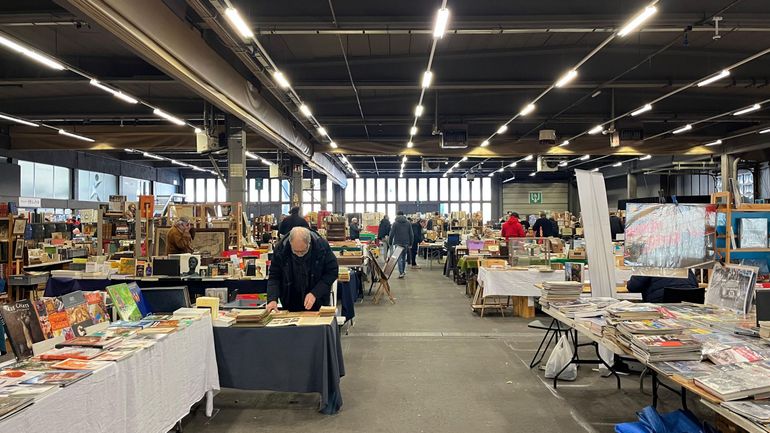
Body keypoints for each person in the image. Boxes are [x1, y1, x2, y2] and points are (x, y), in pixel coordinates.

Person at [266, 227, 338, 312]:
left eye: (303, 251)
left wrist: (315, 293)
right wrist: (272, 299)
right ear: (290, 243)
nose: (299, 255)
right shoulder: (280, 250)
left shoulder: (321, 247)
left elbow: (332, 272)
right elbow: (274, 277)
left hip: (317, 301)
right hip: (290, 300)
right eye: (295, 251)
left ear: (309, 243)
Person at [626, 272, 699, 303]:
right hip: (692, 296)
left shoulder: (649, 260)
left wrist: (628, 284)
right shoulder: (681, 259)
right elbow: (695, 282)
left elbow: (634, 286)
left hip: (663, 299)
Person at [389, 211, 413, 278]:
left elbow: (391, 234)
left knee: (399, 258)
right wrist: (411, 243)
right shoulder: (408, 223)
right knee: (403, 257)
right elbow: (411, 234)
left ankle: (401, 272)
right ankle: (403, 271)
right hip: (406, 243)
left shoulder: (395, 223)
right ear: (403, 215)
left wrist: (390, 242)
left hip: (398, 243)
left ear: (397, 215)